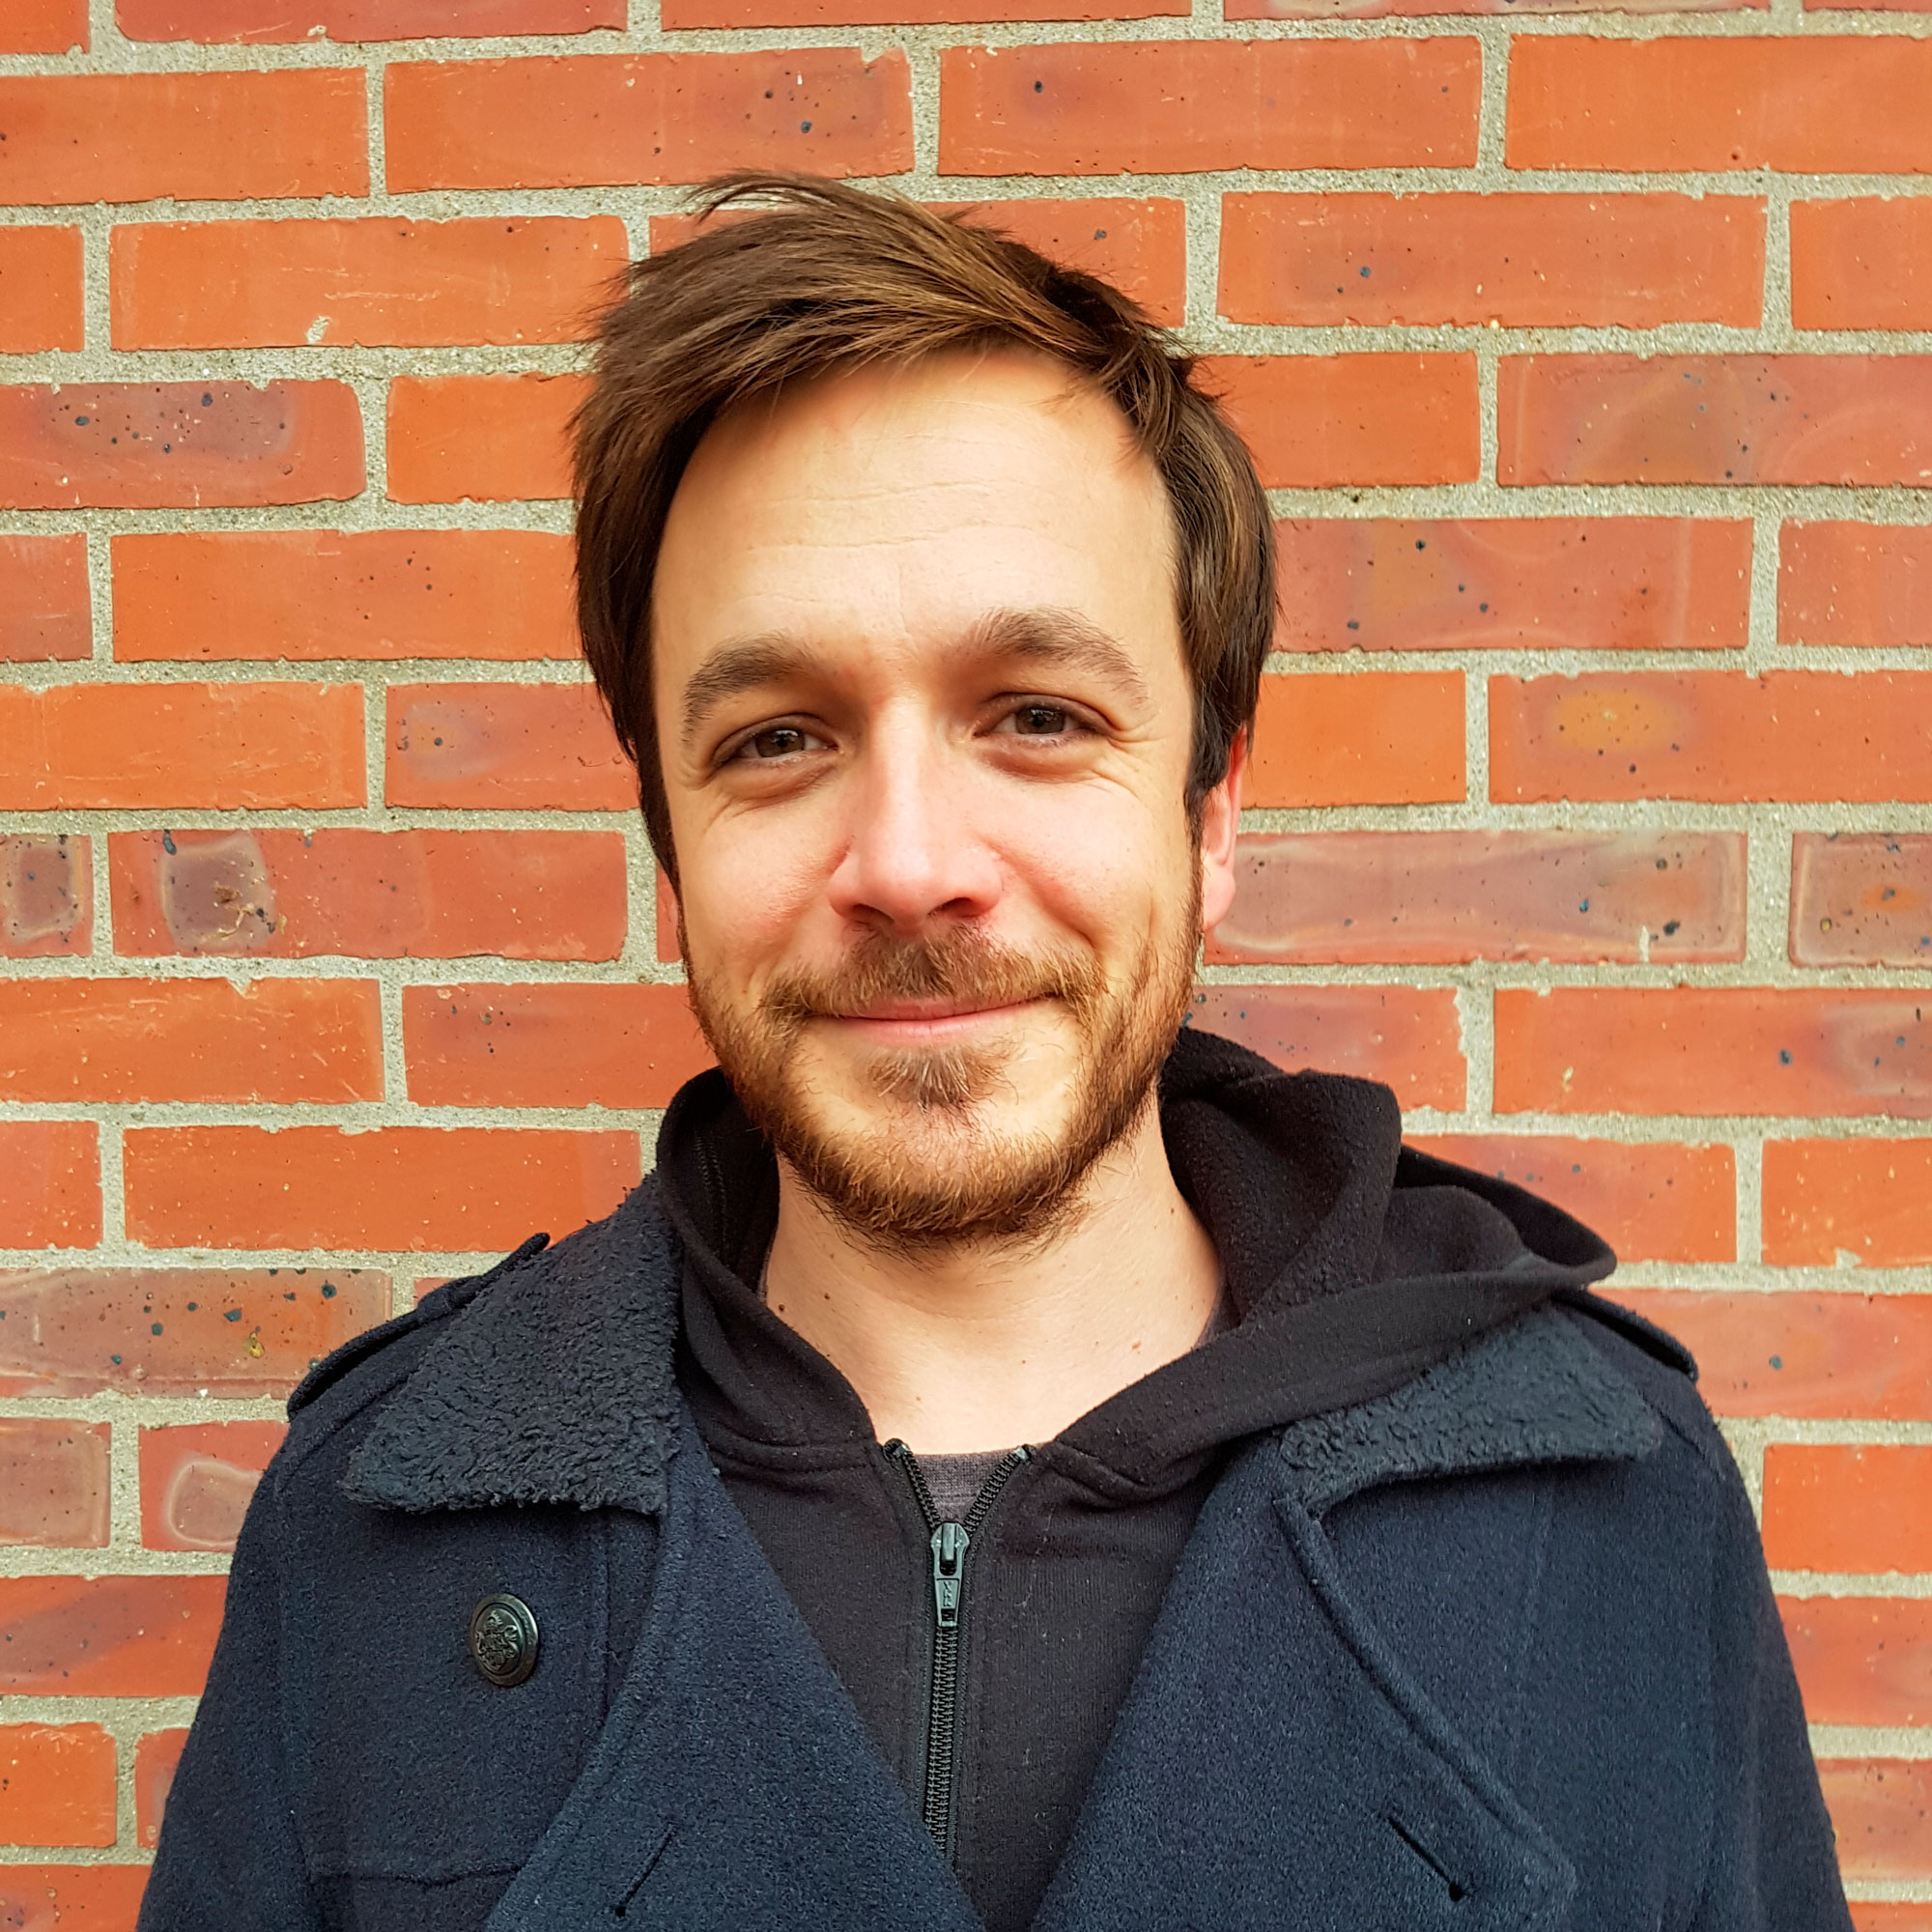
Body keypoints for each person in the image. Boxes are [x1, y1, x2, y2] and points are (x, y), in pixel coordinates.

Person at [140, 174, 1851, 1932]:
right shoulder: (370, 1537)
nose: (906, 863)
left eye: (1038, 716)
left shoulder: (1613, 1507)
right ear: (670, 847)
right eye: (777, 739)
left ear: (1212, 811)